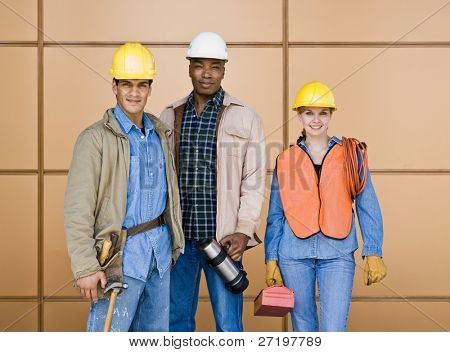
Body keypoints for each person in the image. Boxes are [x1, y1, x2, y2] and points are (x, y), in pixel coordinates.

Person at [64, 43, 183, 332]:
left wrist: (173, 243)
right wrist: (86, 267)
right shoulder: (94, 140)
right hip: (118, 259)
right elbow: (78, 207)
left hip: (158, 256)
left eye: (142, 85)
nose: (134, 92)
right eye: (126, 84)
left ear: (150, 88)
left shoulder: (158, 135)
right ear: (114, 86)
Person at [160, 32, 266, 332]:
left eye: (214, 66)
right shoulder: (170, 115)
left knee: (229, 325)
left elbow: (254, 181)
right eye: (198, 65)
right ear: (189, 68)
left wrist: (244, 231)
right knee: (176, 321)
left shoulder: (246, 118)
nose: (206, 73)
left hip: (223, 241)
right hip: (179, 242)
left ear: (224, 70)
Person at [264, 81, 387, 332]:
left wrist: (373, 251)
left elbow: (367, 204)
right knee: (304, 329)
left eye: (323, 113)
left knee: (333, 330)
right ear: (299, 115)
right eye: (309, 113)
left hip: (338, 253)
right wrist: (271, 258)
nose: (316, 120)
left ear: (331, 115)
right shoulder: (285, 159)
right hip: (293, 254)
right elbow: (276, 214)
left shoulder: (352, 154)